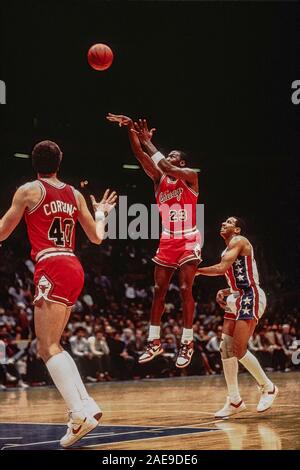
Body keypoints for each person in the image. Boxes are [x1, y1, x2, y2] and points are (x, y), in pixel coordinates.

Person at [0, 140, 117, 447]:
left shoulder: (28, 190)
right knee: (55, 344)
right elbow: (96, 237)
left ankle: (78, 415)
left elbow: (2, 232)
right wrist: (102, 213)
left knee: (46, 346)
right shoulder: (74, 194)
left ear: (33, 162)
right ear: (59, 163)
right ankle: (87, 403)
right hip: (73, 266)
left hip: (50, 264)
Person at [107, 114, 201, 368]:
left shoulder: (190, 176)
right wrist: (131, 131)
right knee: (159, 291)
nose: (167, 159)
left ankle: (187, 342)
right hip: (169, 238)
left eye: (171, 155)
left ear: (180, 161)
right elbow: (139, 155)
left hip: (189, 236)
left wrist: (148, 141)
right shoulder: (159, 180)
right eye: (166, 155)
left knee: (184, 289)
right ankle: (154, 341)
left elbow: (166, 165)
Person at [196, 216, 278, 417]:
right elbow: (238, 276)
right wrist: (227, 290)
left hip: (250, 296)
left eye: (229, 222)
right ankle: (234, 400)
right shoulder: (228, 248)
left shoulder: (239, 241)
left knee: (238, 349)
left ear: (238, 229)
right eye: (223, 222)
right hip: (237, 296)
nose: (224, 223)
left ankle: (268, 387)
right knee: (225, 348)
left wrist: (195, 271)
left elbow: (221, 268)